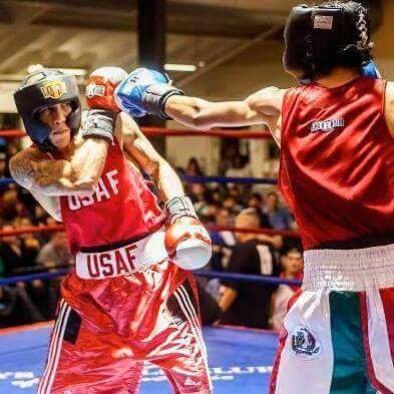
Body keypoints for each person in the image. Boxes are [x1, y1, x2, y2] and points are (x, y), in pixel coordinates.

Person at [115, 1, 394, 392]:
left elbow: (198, 113)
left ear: (302, 47)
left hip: (328, 283)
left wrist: (149, 96)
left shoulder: (278, 105)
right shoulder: (387, 98)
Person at [10, 67, 212, 393]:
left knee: (193, 385)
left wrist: (180, 210)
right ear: (32, 118)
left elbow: (156, 165)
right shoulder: (25, 164)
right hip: (91, 295)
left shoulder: (114, 123)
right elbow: (80, 178)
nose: (60, 117)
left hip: (156, 278)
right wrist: (103, 113)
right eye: (48, 111)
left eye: (65, 106)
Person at [219, 208, 278, 329]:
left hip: (237, 320)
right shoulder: (270, 248)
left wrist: (217, 316)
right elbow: (273, 290)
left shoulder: (242, 249)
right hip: (261, 319)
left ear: (242, 227)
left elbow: (231, 288)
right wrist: (270, 317)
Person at [270, 247, 303, 332]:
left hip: (296, 329)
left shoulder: (306, 283)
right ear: (284, 260)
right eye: (291, 259)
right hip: (276, 327)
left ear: (302, 262)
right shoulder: (276, 280)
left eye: (298, 259)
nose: (294, 262)